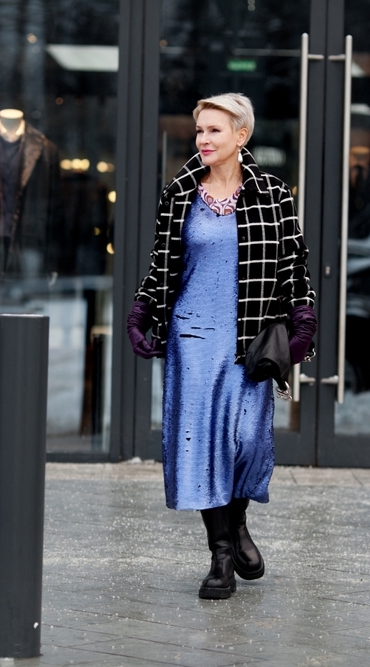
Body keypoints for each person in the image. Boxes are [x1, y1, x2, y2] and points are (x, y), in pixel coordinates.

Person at [127, 93, 317, 599]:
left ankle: (238, 525)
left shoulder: (274, 195)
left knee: (246, 442)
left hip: (248, 339)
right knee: (203, 445)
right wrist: (141, 312)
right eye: (199, 131)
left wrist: (303, 322)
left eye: (214, 130)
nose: (204, 140)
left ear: (241, 136)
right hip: (192, 335)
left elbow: (295, 269)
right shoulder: (180, 195)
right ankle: (220, 554)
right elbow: (162, 267)